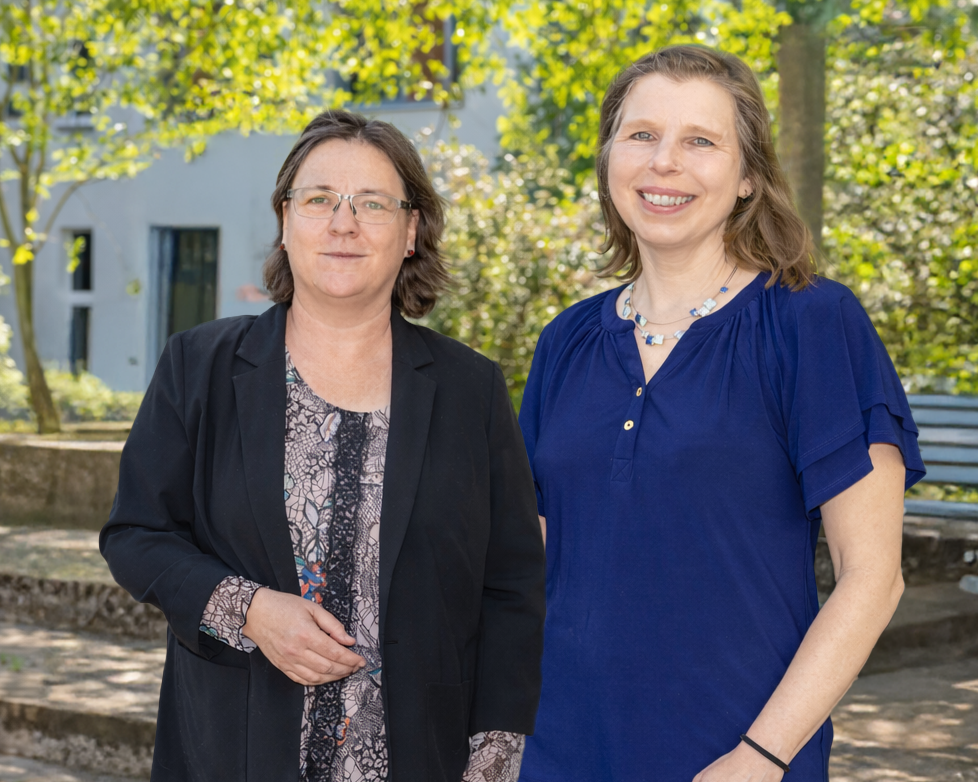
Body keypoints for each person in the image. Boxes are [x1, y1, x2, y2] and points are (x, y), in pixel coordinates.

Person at [516, 45, 925, 782]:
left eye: (700, 141)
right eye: (641, 135)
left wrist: (762, 757)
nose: (663, 162)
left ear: (745, 178)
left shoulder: (811, 323)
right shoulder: (566, 341)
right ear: (610, 158)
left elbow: (874, 579)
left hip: (737, 758)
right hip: (557, 751)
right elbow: (528, 562)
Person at [101, 110, 546, 782]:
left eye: (372, 203)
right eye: (318, 200)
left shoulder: (470, 390)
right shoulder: (199, 366)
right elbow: (136, 534)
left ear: (411, 232)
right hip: (232, 751)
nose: (344, 224)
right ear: (285, 221)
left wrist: (491, 759)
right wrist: (249, 610)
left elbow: (511, 586)